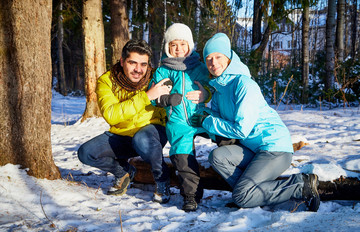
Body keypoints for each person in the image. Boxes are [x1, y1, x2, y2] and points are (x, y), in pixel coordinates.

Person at [191, 33, 321, 212]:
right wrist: (199, 110)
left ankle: (301, 185)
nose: (213, 63)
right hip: (253, 149)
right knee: (217, 157)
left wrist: (207, 122)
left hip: (274, 148)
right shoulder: (219, 89)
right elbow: (217, 120)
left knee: (241, 196)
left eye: (218, 57)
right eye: (208, 59)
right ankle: (248, 194)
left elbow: (241, 130)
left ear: (228, 58)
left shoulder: (244, 84)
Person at [78, 39, 172, 204]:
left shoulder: (156, 77)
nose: (138, 69)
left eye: (144, 64)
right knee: (86, 153)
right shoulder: (106, 81)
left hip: (151, 133)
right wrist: (147, 96)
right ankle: (123, 172)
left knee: (142, 138)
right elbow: (112, 115)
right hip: (122, 135)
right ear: (122, 61)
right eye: (132, 63)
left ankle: (162, 179)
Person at [149, 23, 211, 212]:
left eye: (183, 45)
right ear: (168, 47)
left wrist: (205, 94)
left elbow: (213, 88)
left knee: (228, 139)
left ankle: (241, 184)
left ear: (190, 46)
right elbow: (153, 97)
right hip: (178, 121)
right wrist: (166, 99)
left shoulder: (199, 68)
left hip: (201, 117)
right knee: (182, 155)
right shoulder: (163, 70)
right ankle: (191, 195)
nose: (178, 49)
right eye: (174, 45)